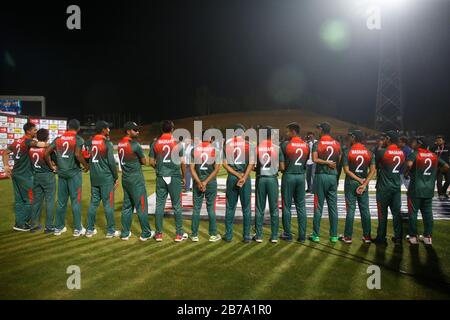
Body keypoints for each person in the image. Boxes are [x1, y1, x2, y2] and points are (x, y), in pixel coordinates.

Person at [45, 119, 89, 237]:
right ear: (78, 128)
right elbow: (77, 154)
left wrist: (52, 166)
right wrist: (86, 165)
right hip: (74, 173)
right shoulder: (78, 139)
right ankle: (78, 228)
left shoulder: (58, 139)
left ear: (68, 127)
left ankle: (58, 228)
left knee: (61, 202)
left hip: (61, 173)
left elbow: (46, 153)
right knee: (76, 201)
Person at [2, 122, 47, 231]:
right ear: (28, 131)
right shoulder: (27, 141)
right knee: (31, 200)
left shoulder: (17, 141)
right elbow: (41, 145)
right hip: (25, 175)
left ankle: (18, 224)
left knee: (19, 201)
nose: (36, 132)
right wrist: (51, 144)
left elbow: (5, 153)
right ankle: (24, 223)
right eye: (35, 130)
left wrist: (6, 166)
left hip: (16, 174)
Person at [405, 136, 449, 245]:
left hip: (415, 189)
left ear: (419, 143)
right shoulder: (433, 155)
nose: (413, 143)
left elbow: (409, 165)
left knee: (413, 213)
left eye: (415, 142)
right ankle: (427, 237)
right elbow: (447, 167)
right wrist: (435, 171)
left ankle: (413, 237)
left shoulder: (415, 153)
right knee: (428, 213)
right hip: (429, 189)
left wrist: (408, 172)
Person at [149, 120, 188, 242]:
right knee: (176, 205)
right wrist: (184, 176)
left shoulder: (155, 143)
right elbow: (182, 162)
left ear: (162, 129)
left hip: (161, 176)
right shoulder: (177, 143)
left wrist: (160, 168)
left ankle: (159, 234)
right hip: (174, 176)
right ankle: (178, 234)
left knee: (160, 205)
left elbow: (151, 162)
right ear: (172, 129)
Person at [118, 121, 155, 241]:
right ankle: (146, 233)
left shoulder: (120, 144)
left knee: (127, 206)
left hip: (125, 178)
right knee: (141, 206)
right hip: (136, 179)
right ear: (128, 131)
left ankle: (125, 233)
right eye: (135, 130)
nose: (138, 131)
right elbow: (144, 162)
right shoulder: (134, 145)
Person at [84, 121, 120, 238]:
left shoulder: (89, 142)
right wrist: (116, 177)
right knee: (108, 204)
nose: (109, 130)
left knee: (93, 204)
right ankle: (110, 231)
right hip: (106, 178)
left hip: (94, 177)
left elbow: (84, 155)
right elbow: (111, 162)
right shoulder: (106, 143)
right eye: (108, 128)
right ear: (103, 129)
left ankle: (89, 229)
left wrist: (86, 166)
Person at [339, 130, 376, 244]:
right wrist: (364, 183)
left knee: (351, 210)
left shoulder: (347, 151)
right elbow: (373, 170)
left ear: (354, 138)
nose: (349, 139)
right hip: (363, 184)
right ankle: (367, 237)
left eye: (351, 137)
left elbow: (346, 170)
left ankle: (348, 237)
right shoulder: (369, 152)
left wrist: (358, 179)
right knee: (365, 210)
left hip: (351, 182)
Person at [223, 123, 255, 243]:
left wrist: (236, 175)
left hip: (232, 177)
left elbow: (225, 164)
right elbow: (252, 164)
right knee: (246, 208)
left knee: (230, 207)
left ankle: (229, 235)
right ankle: (246, 236)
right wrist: (243, 177)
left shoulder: (227, 145)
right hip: (244, 178)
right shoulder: (249, 145)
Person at [310, 122, 341, 243]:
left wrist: (326, 162)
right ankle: (333, 236)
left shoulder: (318, 143)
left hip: (321, 176)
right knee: (333, 208)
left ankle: (316, 235)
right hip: (332, 177)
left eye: (318, 129)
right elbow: (338, 160)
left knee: (318, 206)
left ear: (322, 130)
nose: (317, 131)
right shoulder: (337, 144)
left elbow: (314, 159)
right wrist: (331, 164)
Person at [374, 130, 405, 245]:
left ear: (388, 139)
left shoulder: (382, 152)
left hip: (384, 187)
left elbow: (375, 166)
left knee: (382, 213)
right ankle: (398, 238)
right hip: (396, 186)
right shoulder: (401, 153)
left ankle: (381, 238)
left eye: (385, 139)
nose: (383, 141)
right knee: (396, 213)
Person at [280, 122, 309, 242]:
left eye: (287, 131)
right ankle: (302, 235)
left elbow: (282, 167)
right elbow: (305, 162)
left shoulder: (285, 144)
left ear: (293, 131)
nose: (286, 133)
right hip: (301, 177)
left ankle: (287, 234)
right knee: (301, 206)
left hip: (289, 176)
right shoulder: (306, 145)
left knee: (286, 206)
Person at [189, 133, 221, 242]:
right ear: (211, 139)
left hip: (197, 182)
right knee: (211, 208)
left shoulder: (194, 150)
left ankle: (194, 234)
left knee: (196, 208)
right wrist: (206, 182)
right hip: (210, 182)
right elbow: (217, 169)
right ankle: (213, 234)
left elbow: (191, 168)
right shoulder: (215, 150)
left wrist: (199, 182)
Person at [253, 126, 282, 243]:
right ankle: (274, 236)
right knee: (274, 208)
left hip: (261, 179)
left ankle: (259, 235)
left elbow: (253, 166)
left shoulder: (257, 148)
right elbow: (282, 167)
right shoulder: (277, 148)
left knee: (259, 208)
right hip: (272, 179)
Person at [28, 128, 56, 233]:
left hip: (36, 175)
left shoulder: (31, 149)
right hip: (47, 175)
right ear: (47, 137)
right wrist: (53, 166)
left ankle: (34, 225)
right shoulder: (48, 148)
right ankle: (49, 227)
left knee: (36, 201)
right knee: (50, 201)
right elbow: (55, 161)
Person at [434, 135, 449, 200]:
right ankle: (440, 194)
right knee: (439, 181)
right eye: (437, 140)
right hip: (438, 167)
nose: (438, 142)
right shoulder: (433, 148)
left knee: (448, 180)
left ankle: (443, 192)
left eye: (440, 140)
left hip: (447, 166)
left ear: (444, 141)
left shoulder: (448, 148)